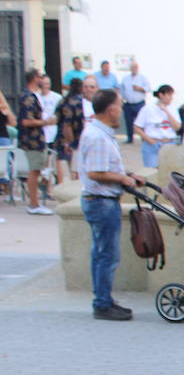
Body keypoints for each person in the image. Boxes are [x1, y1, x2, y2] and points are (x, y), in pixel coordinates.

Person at [75, 88, 144, 320]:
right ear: (111, 109)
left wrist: (128, 174)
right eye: (120, 106)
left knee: (101, 254)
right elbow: (95, 172)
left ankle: (103, 299)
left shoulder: (98, 133)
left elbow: (104, 168)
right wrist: (123, 179)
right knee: (107, 255)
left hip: (101, 200)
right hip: (101, 201)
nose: (122, 111)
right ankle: (102, 303)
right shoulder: (97, 136)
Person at [17, 69, 54, 215]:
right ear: (34, 78)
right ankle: (34, 203)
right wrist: (46, 122)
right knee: (34, 170)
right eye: (40, 77)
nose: (42, 80)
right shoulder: (29, 97)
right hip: (32, 140)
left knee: (37, 169)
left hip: (36, 138)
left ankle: (35, 201)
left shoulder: (31, 96)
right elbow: (26, 121)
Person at [133, 84, 181, 169]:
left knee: (169, 170)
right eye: (169, 95)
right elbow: (137, 127)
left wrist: (166, 111)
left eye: (172, 95)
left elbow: (177, 127)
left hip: (169, 143)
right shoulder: (147, 108)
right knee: (152, 172)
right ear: (161, 95)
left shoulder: (173, 109)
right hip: (153, 144)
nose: (171, 98)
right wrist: (149, 140)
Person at [55, 79, 87, 182]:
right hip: (76, 138)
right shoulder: (80, 102)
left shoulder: (62, 100)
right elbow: (68, 125)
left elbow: (57, 118)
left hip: (61, 136)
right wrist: (70, 142)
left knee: (66, 165)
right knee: (78, 169)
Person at [38, 75, 64, 183]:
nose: (46, 86)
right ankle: (45, 187)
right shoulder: (37, 97)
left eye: (48, 83)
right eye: (43, 83)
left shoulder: (57, 97)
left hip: (54, 133)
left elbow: (61, 115)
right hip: (42, 133)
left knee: (55, 161)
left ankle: (56, 186)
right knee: (43, 162)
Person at [120, 60, 150, 144]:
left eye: (135, 67)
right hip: (128, 104)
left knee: (142, 122)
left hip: (139, 103)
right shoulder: (125, 78)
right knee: (128, 122)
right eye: (132, 67)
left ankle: (144, 138)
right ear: (130, 68)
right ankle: (130, 138)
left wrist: (140, 88)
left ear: (137, 68)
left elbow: (148, 88)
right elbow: (122, 90)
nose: (134, 69)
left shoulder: (142, 78)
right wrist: (121, 99)